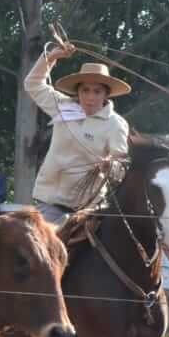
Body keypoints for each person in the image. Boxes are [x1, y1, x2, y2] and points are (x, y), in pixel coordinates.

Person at [22, 41, 130, 225]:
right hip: (50, 203)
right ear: (78, 92)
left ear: (106, 95)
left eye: (97, 91)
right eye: (85, 90)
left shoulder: (115, 124)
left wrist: (109, 166)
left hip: (89, 209)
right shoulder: (63, 106)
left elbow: (121, 167)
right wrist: (52, 57)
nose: (90, 97)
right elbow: (32, 84)